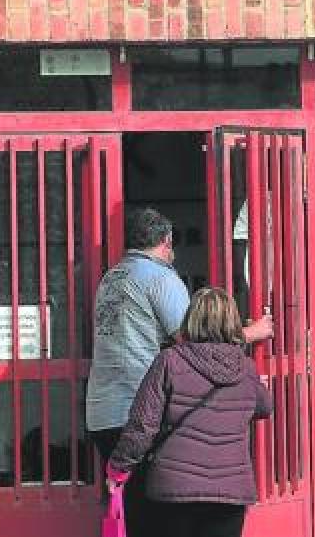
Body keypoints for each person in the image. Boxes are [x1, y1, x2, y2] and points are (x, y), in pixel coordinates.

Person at [86, 207, 272, 536]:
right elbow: (196, 340)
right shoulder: (160, 278)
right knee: (156, 517)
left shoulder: (110, 278)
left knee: (134, 514)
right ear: (166, 242)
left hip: (102, 409)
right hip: (138, 409)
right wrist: (254, 332)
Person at [105, 287, 272, 537]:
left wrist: (118, 467)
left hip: (175, 489)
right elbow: (264, 407)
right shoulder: (246, 368)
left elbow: (143, 425)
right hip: (230, 491)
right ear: (233, 322)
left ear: (191, 319)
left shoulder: (169, 361)